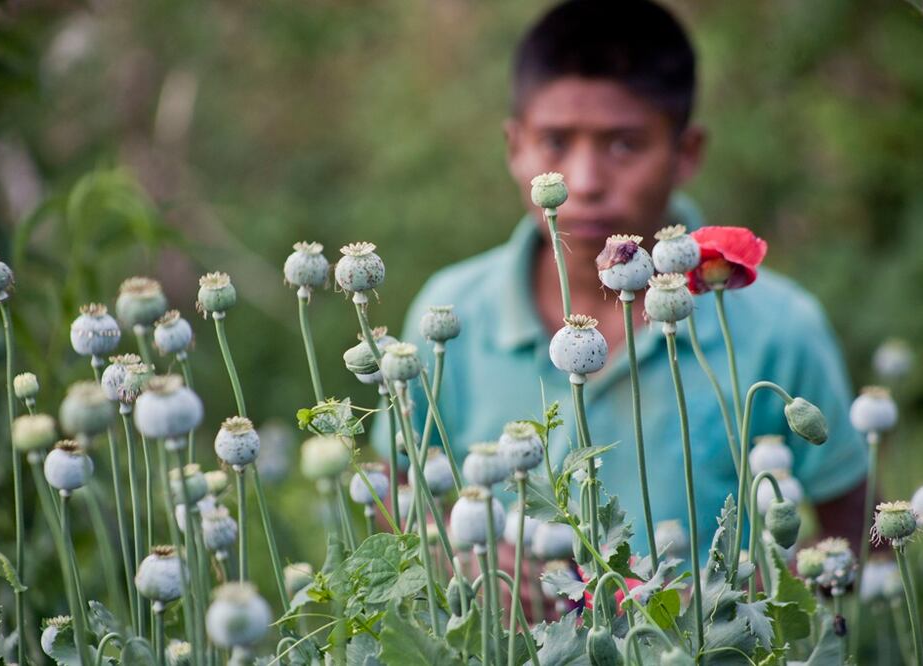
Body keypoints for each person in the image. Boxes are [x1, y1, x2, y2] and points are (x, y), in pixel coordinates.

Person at [369, 0, 867, 562]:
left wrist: (748, 607)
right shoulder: (451, 314)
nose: (584, 181)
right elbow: (397, 510)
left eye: (624, 144)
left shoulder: (778, 329)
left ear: (687, 153)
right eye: (555, 142)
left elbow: (856, 530)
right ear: (514, 148)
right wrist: (476, 574)